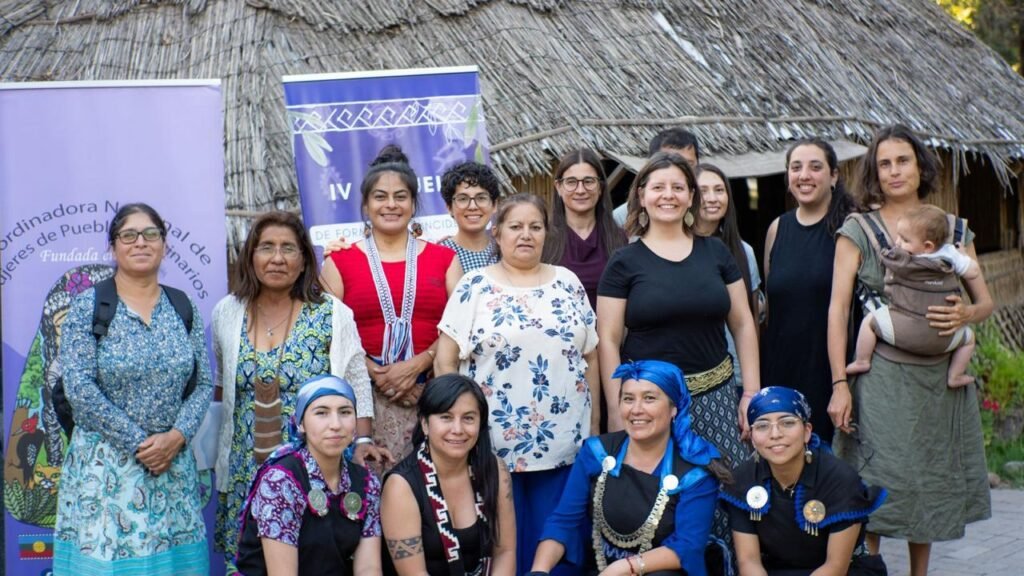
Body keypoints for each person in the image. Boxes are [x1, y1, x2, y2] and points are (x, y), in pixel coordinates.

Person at [827, 125, 993, 576]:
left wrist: (965, 318)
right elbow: (838, 310)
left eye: (903, 160)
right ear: (874, 174)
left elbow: (985, 303)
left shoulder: (953, 230)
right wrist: (840, 383)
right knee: (878, 474)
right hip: (882, 376)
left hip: (939, 380)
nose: (894, 171)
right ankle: (873, 568)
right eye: (884, 163)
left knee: (928, 477)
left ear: (920, 166)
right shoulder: (858, 229)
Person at [435, 193, 599, 575]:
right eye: (515, 226)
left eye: (535, 226)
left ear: (546, 233)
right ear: (497, 233)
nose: (526, 235)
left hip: (565, 447)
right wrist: (458, 425)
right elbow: (445, 360)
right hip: (493, 447)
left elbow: (590, 356)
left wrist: (593, 429)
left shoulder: (568, 283)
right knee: (505, 546)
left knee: (558, 545)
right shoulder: (474, 286)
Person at [212, 211, 377, 570]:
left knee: (316, 559)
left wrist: (363, 441)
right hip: (245, 466)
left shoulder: (332, 313)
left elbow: (357, 382)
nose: (277, 258)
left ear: (304, 259)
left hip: (316, 469)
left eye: (289, 248)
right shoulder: (226, 312)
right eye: (266, 247)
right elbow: (224, 388)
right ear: (250, 256)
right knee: (251, 564)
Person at [54, 203, 213, 574]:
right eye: (129, 235)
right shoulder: (89, 306)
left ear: (164, 245)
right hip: (107, 470)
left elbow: (203, 382)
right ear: (113, 247)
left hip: (171, 467)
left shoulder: (181, 305)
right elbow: (79, 387)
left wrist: (176, 437)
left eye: (151, 234)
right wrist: (140, 443)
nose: (140, 242)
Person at [321, 145, 463, 468]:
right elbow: (328, 334)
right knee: (368, 502)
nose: (391, 204)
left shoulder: (445, 260)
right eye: (380, 197)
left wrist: (417, 367)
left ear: (414, 204)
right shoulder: (340, 262)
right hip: (361, 405)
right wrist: (379, 375)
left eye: (400, 196)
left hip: (429, 395)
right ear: (366, 205)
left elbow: (460, 327)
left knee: (428, 497)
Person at [530, 360, 730, 576]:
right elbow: (563, 520)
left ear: (674, 408)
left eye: (649, 398)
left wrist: (624, 567)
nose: (636, 410)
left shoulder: (696, 472)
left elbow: (687, 547)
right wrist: (539, 570)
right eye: (628, 399)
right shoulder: (597, 452)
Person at [720, 387, 886, 576]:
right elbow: (749, 561)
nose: (775, 434)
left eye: (787, 423)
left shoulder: (840, 480)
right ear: (752, 437)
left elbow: (835, 567)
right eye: (762, 426)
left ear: (807, 431)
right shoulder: (742, 480)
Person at [234, 375, 382, 575]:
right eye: (321, 413)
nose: (336, 424)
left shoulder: (365, 482)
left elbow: (368, 568)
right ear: (300, 423)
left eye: (345, 412)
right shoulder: (281, 481)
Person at [761, 139, 856, 442]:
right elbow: (772, 305)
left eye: (816, 167)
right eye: (796, 167)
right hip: (782, 366)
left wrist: (841, 382)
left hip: (832, 369)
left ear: (834, 176)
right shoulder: (778, 228)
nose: (805, 175)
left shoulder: (850, 228)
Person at [381, 373, 516, 576]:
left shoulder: (495, 469)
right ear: (425, 424)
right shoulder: (400, 486)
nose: (458, 429)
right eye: (446, 417)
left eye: (468, 418)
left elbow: (505, 551)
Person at [846, 204, 981, 388]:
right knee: (969, 338)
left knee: (870, 322)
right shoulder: (950, 254)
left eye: (904, 239)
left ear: (927, 246)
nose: (898, 242)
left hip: (906, 331)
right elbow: (973, 272)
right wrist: (963, 256)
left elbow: (885, 258)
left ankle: (863, 360)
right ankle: (955, 376)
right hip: (945, 335)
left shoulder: (903, 259)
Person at [695, 164, 761, 399]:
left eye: (719, 190)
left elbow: (749, 321)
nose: (712, 199)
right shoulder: (674, 251)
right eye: (703, 191)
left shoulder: (744, 252)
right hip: (688, 373)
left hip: (736, 375)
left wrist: (752, 386)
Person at [543, 148, 627, 309]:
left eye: (588, 181)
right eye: (571, 182)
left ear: (600, 186)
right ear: (558, 187)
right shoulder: (543, 239)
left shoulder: (620, 239)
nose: (580, 190)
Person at [614, 128, 701, 227]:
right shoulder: (621, 219)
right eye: (667, 162)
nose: (678, 171)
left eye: (688, 165)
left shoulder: (710, 209)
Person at [439, 161, 501, 271]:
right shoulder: (438, 254)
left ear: (494, 205)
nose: (473, 206)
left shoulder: (505, 251)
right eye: (463, 199)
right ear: (449, 207)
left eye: (481, 198)